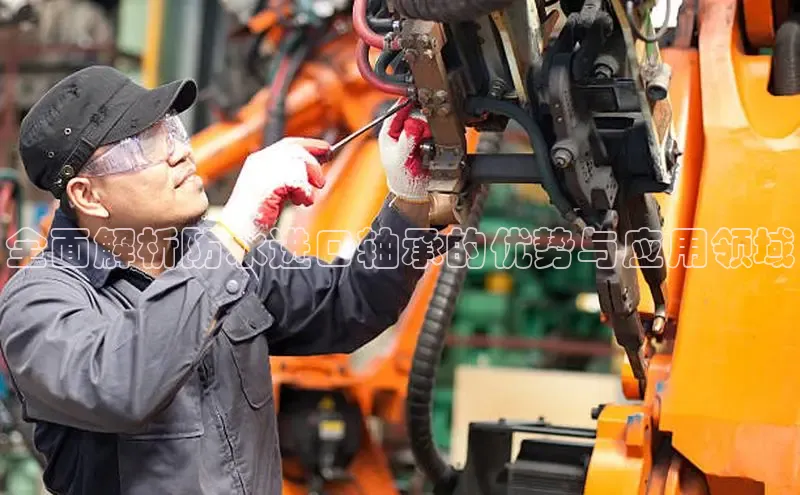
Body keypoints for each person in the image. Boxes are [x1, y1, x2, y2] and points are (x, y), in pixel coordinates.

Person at [0, 65, 446, 494]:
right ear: (87, 195)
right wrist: (233, 232)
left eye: (170, 131)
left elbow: (353, 302)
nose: (180, 152)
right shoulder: (38, 304)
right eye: (143, 145)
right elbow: (120, 386)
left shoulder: (230, 258)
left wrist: (408, 200)